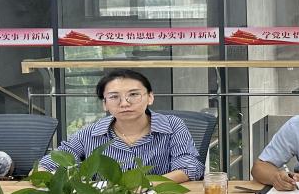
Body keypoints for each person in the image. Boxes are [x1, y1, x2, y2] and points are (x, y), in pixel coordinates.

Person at [38, 69, 204, 182]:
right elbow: (46, 166)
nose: (124, 103)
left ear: (150, 97)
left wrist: (148, 186)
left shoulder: (172, 126)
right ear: (105, 104)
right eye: (114, 97)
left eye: (134, 94)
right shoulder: (90, 134)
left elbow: (190, 167)